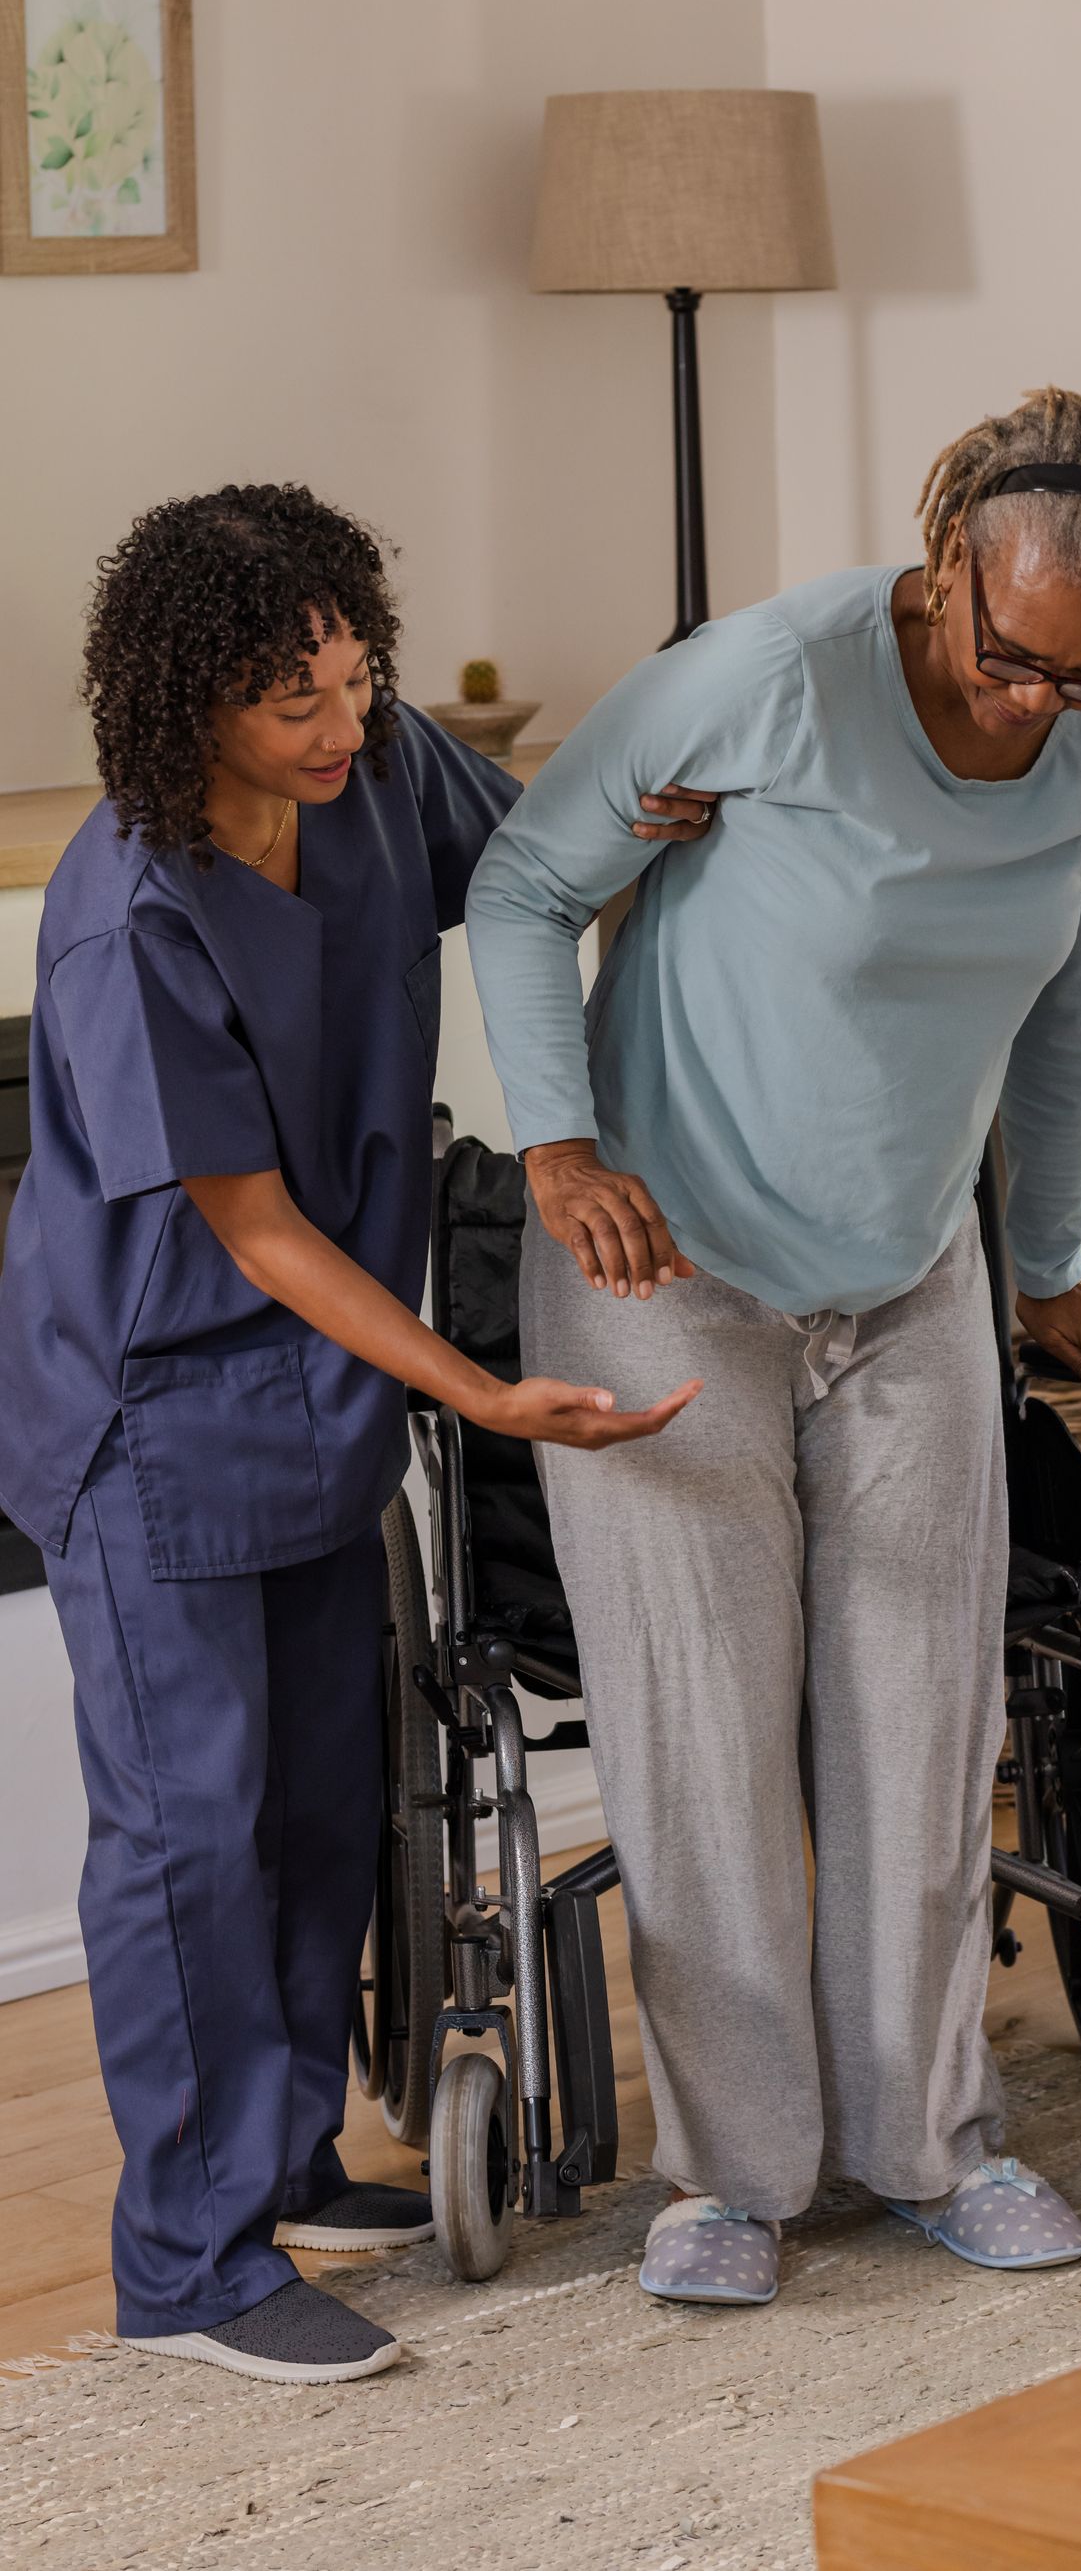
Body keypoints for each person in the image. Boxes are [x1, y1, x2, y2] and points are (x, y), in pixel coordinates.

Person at [466, 386, 1081, 2303]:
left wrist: (1042, 1265)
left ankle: (932, 2138)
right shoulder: (765, 680)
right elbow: (529, 884)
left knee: (918, 1724)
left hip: (906, 1285)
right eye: (1010, 652)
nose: (1039, 703)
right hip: (664, 1261)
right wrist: (556, 1141)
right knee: (704, 1743)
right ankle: (736, 2177)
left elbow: (1069, 1019)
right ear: (946, 554)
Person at [0, 488, 697, 2385]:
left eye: (354, 674)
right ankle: (187, 2268)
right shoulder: (124, 916)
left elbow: (550, 857)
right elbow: (251, 1224)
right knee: (188, 1842)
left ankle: (287, 2162)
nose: (342, 721)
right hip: (153, 1415)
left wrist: (696, 817)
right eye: (289, 697)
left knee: (322, 1811)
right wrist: (474, 1386)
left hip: (314, 1395)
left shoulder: (381, 779)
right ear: (184, 704)